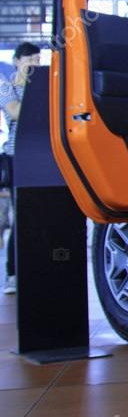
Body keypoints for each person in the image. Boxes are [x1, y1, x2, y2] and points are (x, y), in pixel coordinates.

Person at [0, 43, 42, 295]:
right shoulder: (7, 85)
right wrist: (33, 92)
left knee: (41, 214)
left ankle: (39, 269)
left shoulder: (47, 85)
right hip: (18, 157)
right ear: (17, 61)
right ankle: (13, 273)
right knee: (21, 215)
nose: (35, 65)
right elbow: (15, 112)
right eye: (30, 60)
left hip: (44, 157)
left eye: (38, 59)